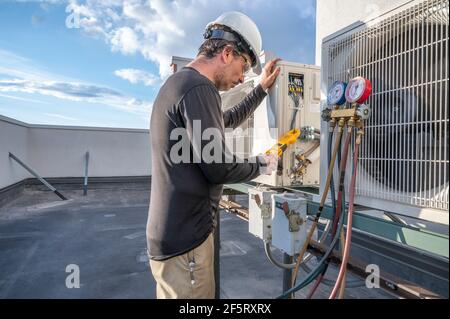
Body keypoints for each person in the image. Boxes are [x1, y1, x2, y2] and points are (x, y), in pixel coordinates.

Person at [146, 11, 281, 299]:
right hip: (187, 245)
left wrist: (260, 90)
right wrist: (263, 164)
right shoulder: (198, 89)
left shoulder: (181, 85)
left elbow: (227, 118)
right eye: (243, 66)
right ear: (227, 53)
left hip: (173, 237)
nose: (242, 77)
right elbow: (219, 166)